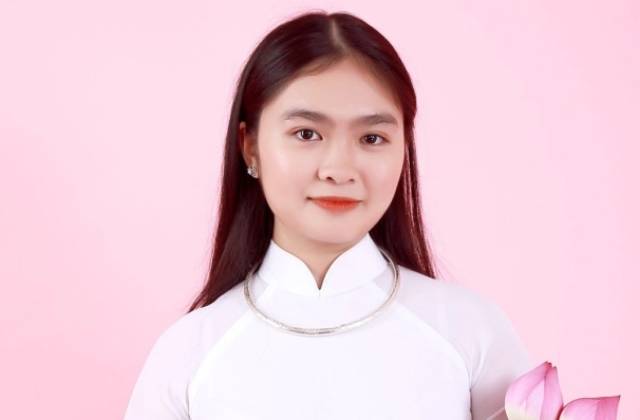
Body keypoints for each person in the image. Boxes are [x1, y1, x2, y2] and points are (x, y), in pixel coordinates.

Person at [123, 10, 533, 420]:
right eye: (307, 134)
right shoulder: (188, 354)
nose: (339, 169)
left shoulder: (472, 332)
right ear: (250, 147)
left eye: (372, 138)